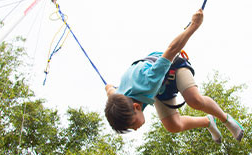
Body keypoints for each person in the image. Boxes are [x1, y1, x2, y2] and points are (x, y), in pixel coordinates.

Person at [104, 9, 244, 143]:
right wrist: (108, 87)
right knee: (173, 125)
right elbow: (110, 90)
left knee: (194, 100)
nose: (135, 128)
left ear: (136, 107)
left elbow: (172, 49)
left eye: (132, 124)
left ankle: (226, 119)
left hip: (173, 68)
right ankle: (208, 121)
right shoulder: (117, 98)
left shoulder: (148, 80)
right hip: (160, 87)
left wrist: (194, 25)